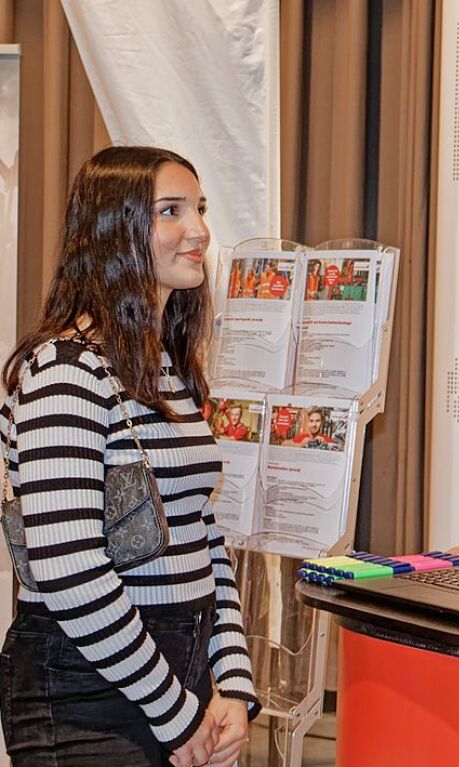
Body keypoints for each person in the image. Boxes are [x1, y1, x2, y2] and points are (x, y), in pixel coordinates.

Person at [0, 146, 261, 766]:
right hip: (86, 689)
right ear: (112, 232)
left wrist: (233, 683)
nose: (198, 229)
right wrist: (172, 708)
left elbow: (202, 535)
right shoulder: (65, 371)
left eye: (199, 208)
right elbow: (68, 568)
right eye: (170, 211)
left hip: (177, 679)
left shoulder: (167, 370)